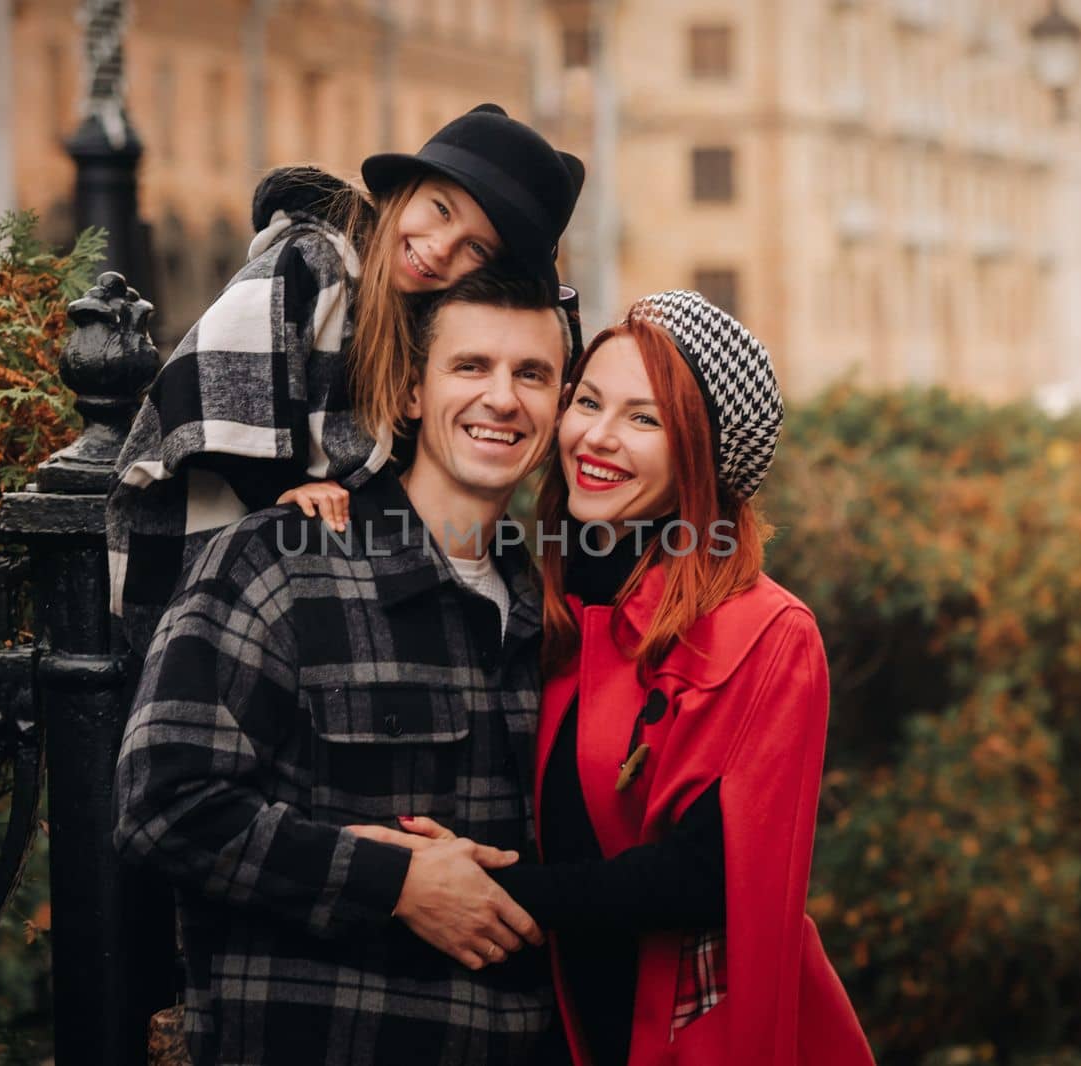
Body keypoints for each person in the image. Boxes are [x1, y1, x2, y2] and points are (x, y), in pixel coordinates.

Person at [357, 291, 874, 1065]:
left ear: (698, 455)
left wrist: (473, 889)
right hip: (563, 1029)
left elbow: (707, 874)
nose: (597, 438)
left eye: (644, 418)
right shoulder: (550, 606)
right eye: (588, 401)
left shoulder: (766, 632)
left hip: (697, 1037)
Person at [113, 271, 577, 1066]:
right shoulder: (279, 563)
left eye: (532, 375)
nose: (503, 398)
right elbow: (165, 804)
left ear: (560, 408)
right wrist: (394, 883)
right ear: (410, 394)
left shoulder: (552, 614)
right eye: (471, 367)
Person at [106, 104, 584, 653]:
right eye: (441, 210)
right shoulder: (315, 259)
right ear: (406, 189)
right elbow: (208, 388)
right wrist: (280, 487)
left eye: (476, 248)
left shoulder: (408, 315)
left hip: (293, 580)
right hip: (194, 555)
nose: (440, 247)